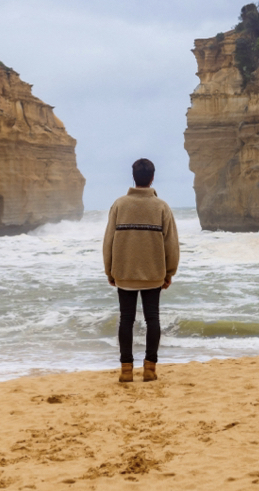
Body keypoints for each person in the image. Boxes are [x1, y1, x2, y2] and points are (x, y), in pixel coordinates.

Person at [102, 158, 180, 383]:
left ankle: (126, 371)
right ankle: (150, 369)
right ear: (152, 178)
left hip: (124, 272)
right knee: (152, 319)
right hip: (153, 274)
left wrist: (110, 271)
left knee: (125, 319)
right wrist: (169, 273)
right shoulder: (161, 207)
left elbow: (108, 241)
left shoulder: (119, 205)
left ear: (133, 177)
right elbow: (171, 244)